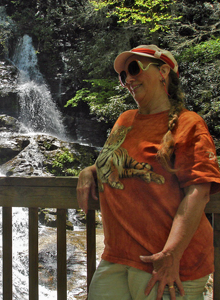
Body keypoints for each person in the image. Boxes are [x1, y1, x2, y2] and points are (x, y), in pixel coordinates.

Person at [77, 45, 220, 300]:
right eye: (123, 75)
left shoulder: (189, 124)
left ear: (163, 71)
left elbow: (199, 192)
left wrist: (171, 255)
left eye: (134, 68)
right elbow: (116, 163)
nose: (128, 79)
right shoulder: (124, 120)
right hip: (117, 257)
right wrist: (89, 171)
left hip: (166, 263)